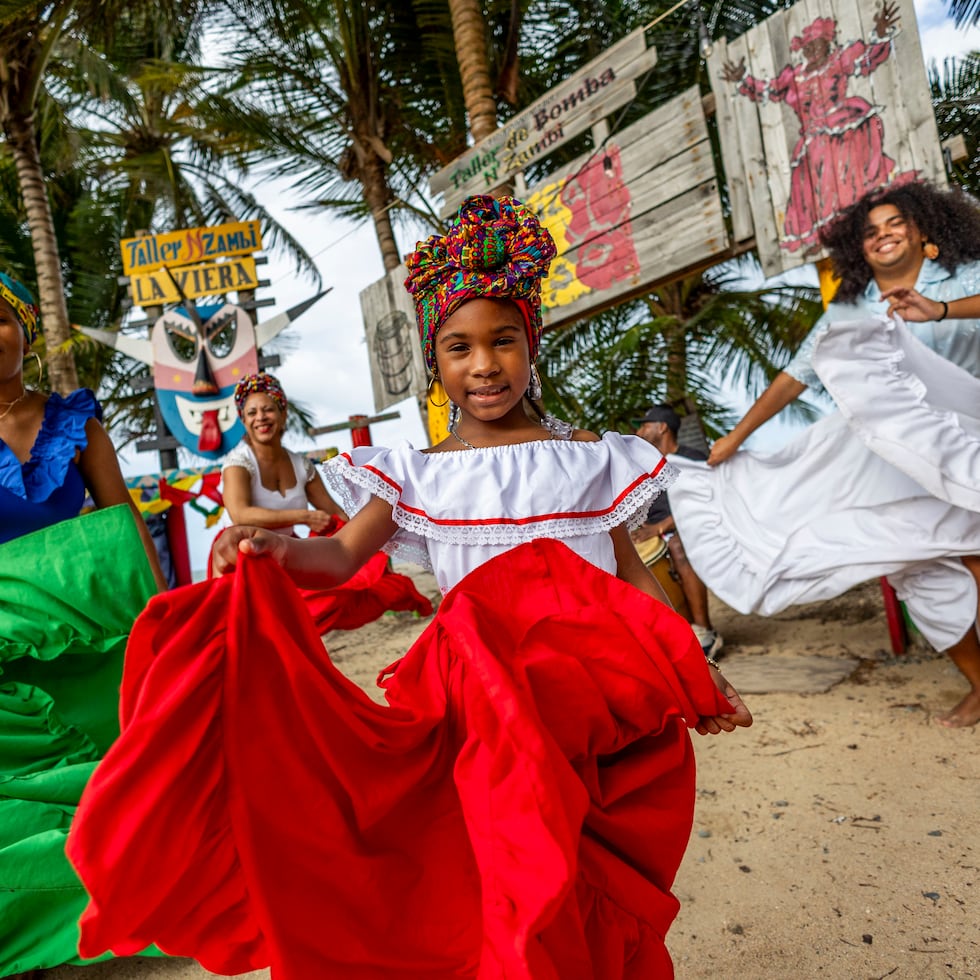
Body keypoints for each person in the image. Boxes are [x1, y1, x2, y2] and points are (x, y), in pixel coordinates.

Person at [67, 196, 752, 978]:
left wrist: (691, 665)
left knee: (587, 879)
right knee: (516, 875)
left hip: (596, 714)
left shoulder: (594, 459)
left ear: (532, 345)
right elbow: (339, 558)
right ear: (436, 361)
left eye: (503, 341)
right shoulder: (419, 476)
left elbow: (631, 578)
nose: (484, 365)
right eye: (459, 348)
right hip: (485, 717)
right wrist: (274, 548)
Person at [666, 181, 980, 727]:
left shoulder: (962, 277)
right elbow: (795, 375)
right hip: (893, 467)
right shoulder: (850, 309)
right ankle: (979, 683)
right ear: (859, 249)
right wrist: (736, 437)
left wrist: (939, 310)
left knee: (975, 551)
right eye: (871, 231)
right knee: (913, 569)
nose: (883, 236)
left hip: (968, 442)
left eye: (895, 224)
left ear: (923, 231)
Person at [0, 272, 166, 974]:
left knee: (133, 765)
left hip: (92, 629)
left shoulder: (77, 422)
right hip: (5, 641)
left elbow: (123, 525)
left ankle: (136, 893)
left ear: (24, 330)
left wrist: (163, 621)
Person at [220, 371, 433, 631]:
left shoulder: (301, 465)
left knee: (327, 598)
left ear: (283, 414)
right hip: (242, 555)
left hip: (283, 554)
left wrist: (369, 541)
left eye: (268, 409)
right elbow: (240, 514)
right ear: (243, 421)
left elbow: (334, 512)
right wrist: (304, 517)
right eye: (252, 413)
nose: (260, 418)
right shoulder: (238, 463)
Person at [719, 2, 912, 254]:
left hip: (843, 126)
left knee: (849, 179)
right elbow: (768, 89)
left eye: (817, 44)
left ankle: (864, 225)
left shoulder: (838, 60)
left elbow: (867, 59)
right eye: (807, 46)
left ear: (827, 44)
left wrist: (881, 32)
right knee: (818, 188)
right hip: (814, 139)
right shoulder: (793, 76)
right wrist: (743, 79)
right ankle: (829, 235)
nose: (812, 50)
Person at [632, 404, 722, 658]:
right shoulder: (645, 467)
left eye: (644, 425)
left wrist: (661, 528)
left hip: (689, 527)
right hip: (655, 530)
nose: (638, 432)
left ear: (662, 428)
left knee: (678, 546)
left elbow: (705, 501)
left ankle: (704, 631)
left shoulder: (691, 459)